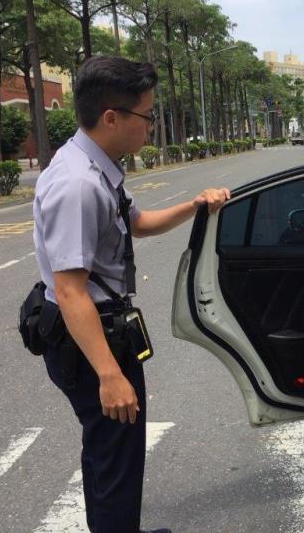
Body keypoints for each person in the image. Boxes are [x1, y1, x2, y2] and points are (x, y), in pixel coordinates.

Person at [32, 56, 230, 533]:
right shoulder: (78, 184)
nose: (151, 127)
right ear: (111, 118)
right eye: (147, 116)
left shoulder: (96, 165)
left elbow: (137, 224)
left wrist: (195, 204)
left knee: (110, 451)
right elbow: (69, 288)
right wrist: (109, 375)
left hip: (96, 331)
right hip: (89, 339)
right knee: (115, 454)